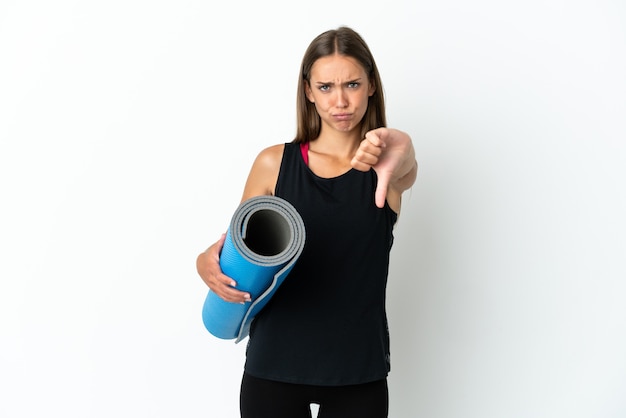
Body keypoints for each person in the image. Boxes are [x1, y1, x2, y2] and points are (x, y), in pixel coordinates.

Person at [196, 26, 418, 418]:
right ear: (308, 91)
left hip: (357, 372)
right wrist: (205, 264)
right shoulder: (273, 163)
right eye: (327, 86)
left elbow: (407, 166)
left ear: (370, 86)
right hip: (274, 366)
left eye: (352, 83)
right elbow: (238, 250)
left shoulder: (387, 169)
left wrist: (404, 148)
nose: (341, 100)